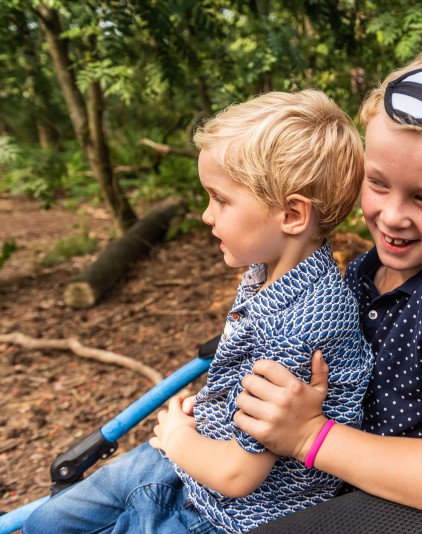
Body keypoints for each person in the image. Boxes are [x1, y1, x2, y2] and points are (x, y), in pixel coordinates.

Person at [23, 90, 374, 533]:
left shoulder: (301, 327)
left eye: (220, 200)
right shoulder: (269, 270)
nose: (207, 215)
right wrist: (212, 409)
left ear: (291, 214)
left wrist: (176, 439)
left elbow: (238, 475)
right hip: (196, 459)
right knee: (46, 522)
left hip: (218, 513)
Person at [232, 36, 422, 520]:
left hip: (378, 510)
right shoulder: (371, 269)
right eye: (378, 183)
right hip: (312, 484)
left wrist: (307, 435)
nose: (391, 217)